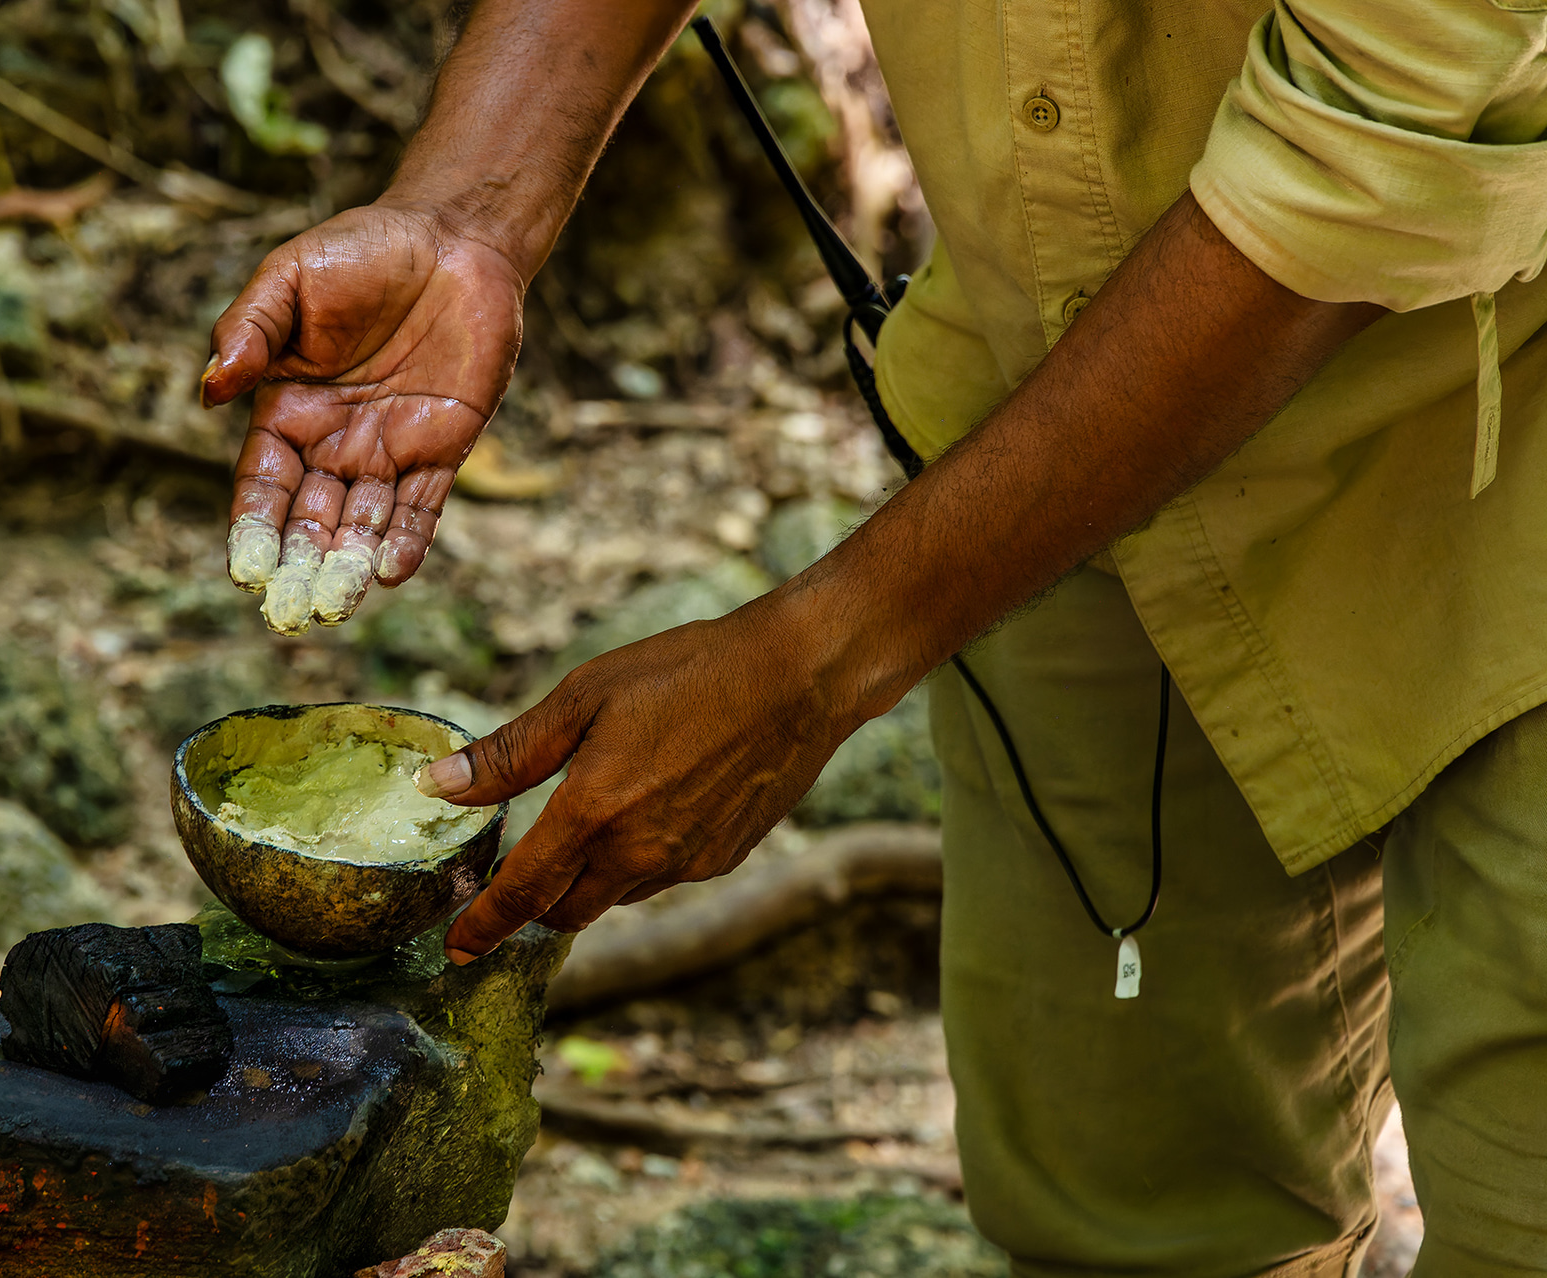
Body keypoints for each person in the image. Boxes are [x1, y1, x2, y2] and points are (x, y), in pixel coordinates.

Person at [202, 0, 1547, 1270]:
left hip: (1505, 437)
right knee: (1132, 1216)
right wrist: (465, 216)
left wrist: (818, 655)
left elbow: (1354, 163)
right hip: (1064, 425)